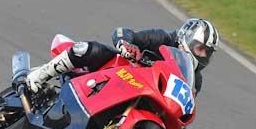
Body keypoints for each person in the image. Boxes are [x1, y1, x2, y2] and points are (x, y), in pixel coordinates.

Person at [26, 18, 219, 95]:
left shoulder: (195, 80)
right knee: (89, 50)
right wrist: (126, 45)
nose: (201, 54)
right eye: (200, 47)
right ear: (187, 38)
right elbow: (123, 32)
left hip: (142, 94)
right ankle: (41, 74)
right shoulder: (163, 38)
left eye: (206, 52)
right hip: (119, 71)